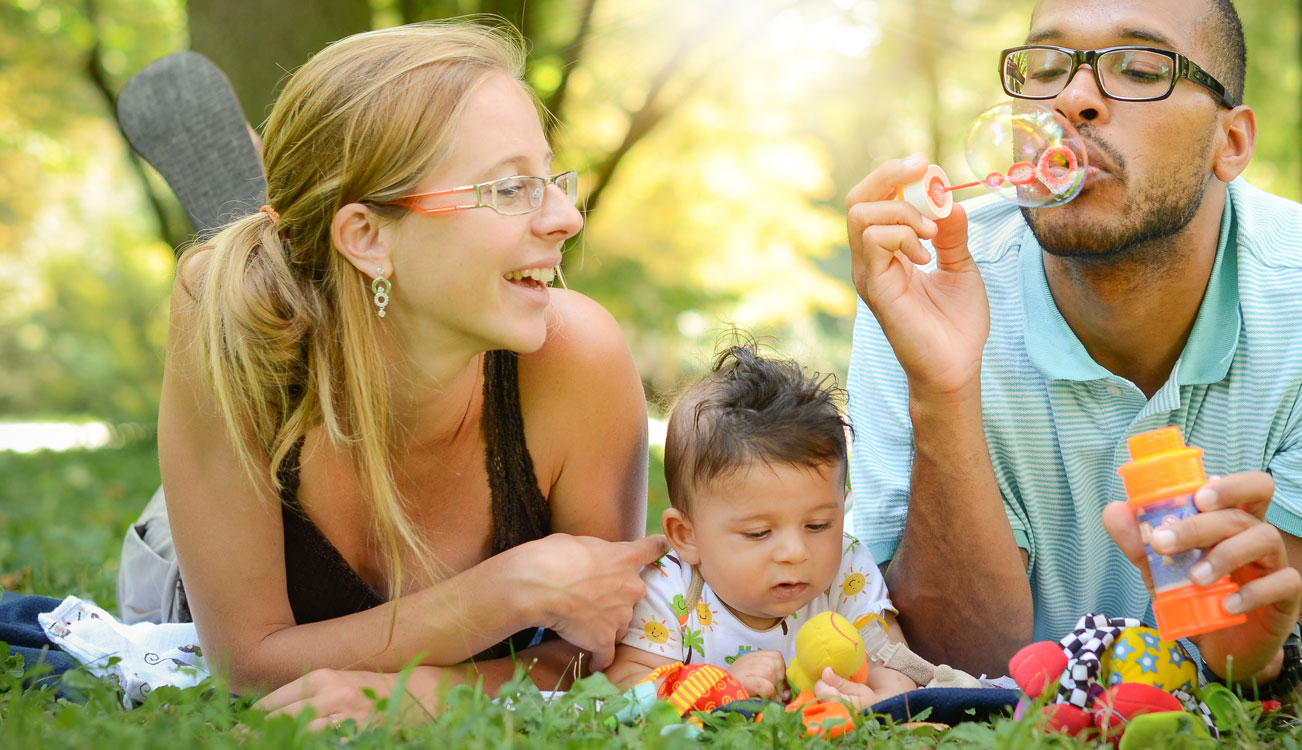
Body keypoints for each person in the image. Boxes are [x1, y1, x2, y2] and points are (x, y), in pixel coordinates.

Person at [843, 0, 1302, 704]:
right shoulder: (924, 288)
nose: (1072, 99)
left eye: (1141, 68)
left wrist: (1268, 660)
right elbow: (963, 665)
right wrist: (942, 386)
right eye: (1047, 67)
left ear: (1231, 142)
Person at [141, 20, 668, 726]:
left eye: (551, 178)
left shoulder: (577, 359)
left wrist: (425, 694)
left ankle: (306, 245)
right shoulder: (215, 315)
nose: (568, 218)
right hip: (190, 551)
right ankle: (284, 269)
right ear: (368, 236)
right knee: (229, 303)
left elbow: (599, 650)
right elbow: (246, 662)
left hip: (341, 291)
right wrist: (504, 593)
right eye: (510, 188)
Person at [605, 345, 918, 708]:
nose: (795, 552)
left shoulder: (847, 574)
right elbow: (623, 693)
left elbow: (896, 672)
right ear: (686, 536)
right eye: (759, 533)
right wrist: (720, 685)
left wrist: (870, 701)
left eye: (817, 525)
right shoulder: (669, 591)